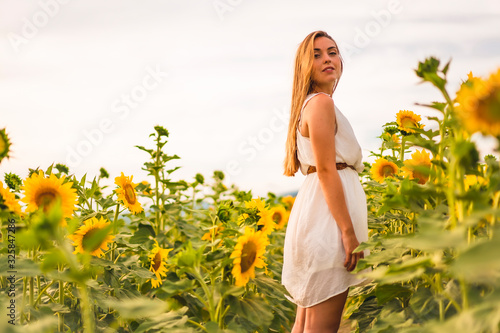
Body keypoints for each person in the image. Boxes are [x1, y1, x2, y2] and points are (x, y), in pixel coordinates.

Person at [282, 30, 370, 332]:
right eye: (316, 55)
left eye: (332, 51)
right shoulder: (320, 104)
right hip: (328, 222)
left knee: (306, 322)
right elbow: (327, 170)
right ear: (304, 67)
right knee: (321, 326)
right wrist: (348, 231)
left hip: (318, 214)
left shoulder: (311, 103)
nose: (327, 59)